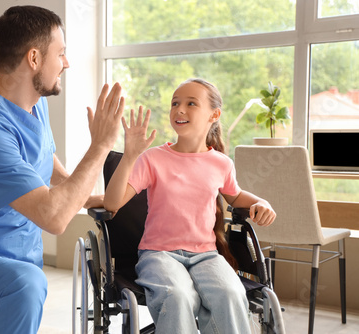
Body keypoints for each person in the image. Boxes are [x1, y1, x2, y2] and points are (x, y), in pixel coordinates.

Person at [0, 5, 125, 334]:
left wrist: (90, 199)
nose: (67, 63)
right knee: (25, 285)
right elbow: (55, 219)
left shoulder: (34, 103)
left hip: (11, 262)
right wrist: (101, 145)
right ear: (34, 58)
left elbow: (49, 168)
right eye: (61, 53)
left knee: (20, 283)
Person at [104, 78, 277, 333]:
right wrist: (130, 155)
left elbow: (236, 195)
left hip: (206, 255)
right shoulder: (153, 158)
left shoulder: (221, 163)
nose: (179, 109)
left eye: (191, 103)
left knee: (230, 293)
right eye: (175, 103)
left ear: (214, 115)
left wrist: (262, 202)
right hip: (158, 254)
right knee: (179, 295)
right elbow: (112, 203)